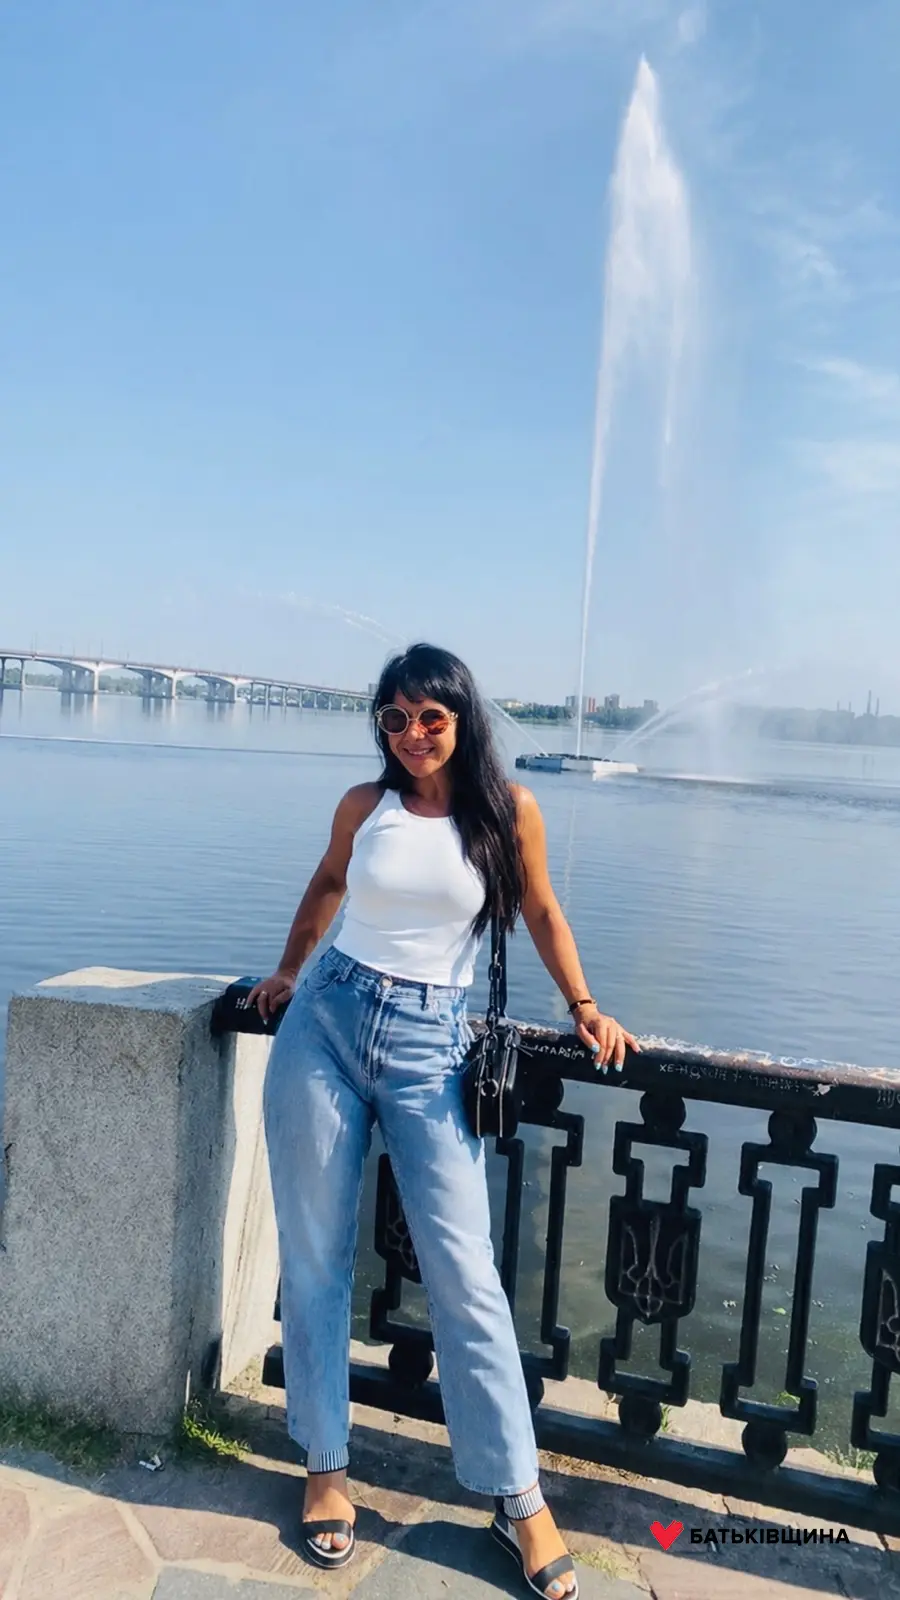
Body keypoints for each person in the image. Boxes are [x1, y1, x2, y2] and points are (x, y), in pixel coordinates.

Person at [251, 642, 639, 1600]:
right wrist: (290, 969)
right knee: (314, 1254)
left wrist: (585, 1006)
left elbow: (541, 911)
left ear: (464, 719)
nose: (412, 734)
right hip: (325, 1022)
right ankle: (326, 1465)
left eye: (431, 717)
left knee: (465, 1272)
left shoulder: (509, 811)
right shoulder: (364, 806)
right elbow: (328, 884)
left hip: (431, 1042)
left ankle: (519, 1498)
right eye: (395, 718)